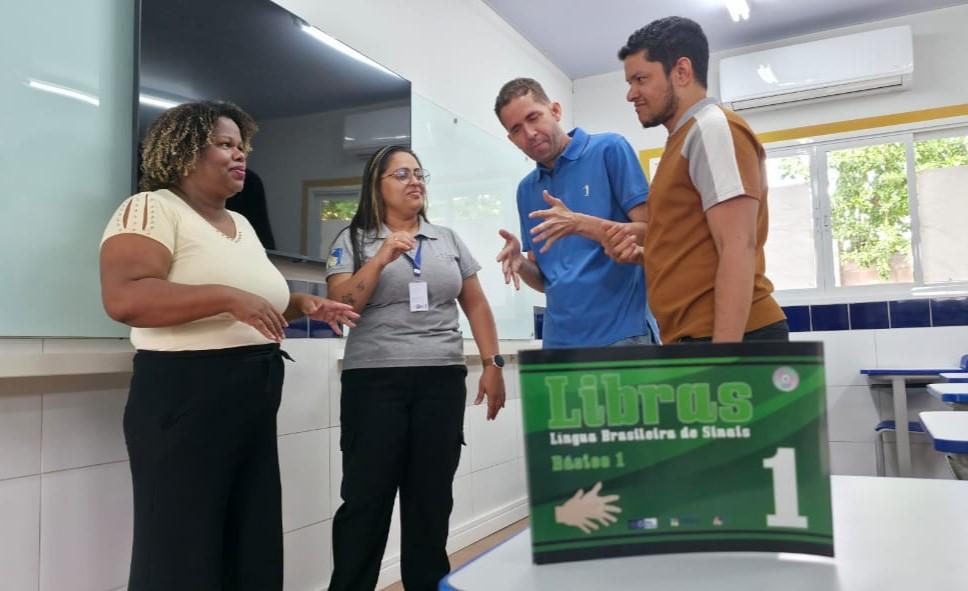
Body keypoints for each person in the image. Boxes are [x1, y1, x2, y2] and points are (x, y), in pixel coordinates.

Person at [99, 100, 358, 591]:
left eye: (242, 147)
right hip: (186, 397)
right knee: (181, 549)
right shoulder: (152, 207)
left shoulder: (242, 225)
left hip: (251, 395)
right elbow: (125, 297)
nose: (240, 155)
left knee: (248, 538)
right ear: (183, 152)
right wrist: (227, 296)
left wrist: (301, 304)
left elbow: (250, 307)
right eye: (224, 144)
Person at [325, 145, 506, 591]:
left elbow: (476, 304)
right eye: (402, 174)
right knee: (366, 499)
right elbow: (343, 305)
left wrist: (492, 362)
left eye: (419, 173)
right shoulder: (352, 240)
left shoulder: (447, 239)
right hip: (375, 381)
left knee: (431, 500)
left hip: (440, 379)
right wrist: (380, 257)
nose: (415, 182)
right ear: (377, 185)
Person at [606, 16, 788, 343]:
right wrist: (650, 255)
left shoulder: (712, 128)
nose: (631, 94)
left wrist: (723, 359)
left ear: (682, 71)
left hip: (731, 337)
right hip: (695, 336)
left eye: (640, 79)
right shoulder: (685, 138)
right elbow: (696, 244)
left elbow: (737, 246)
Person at [493, 78, 659, 348]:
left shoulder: (610, 149)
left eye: (534, 118)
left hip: (622, 334)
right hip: (560, 345)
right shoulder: (526, 190)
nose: (530, 133)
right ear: (512, 140)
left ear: (555, 111)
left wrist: (579, 223)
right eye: (517, 129)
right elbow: (546, 281)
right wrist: (520, 263)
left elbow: (653, 234)